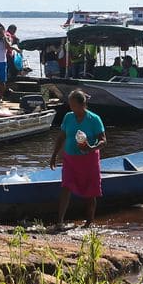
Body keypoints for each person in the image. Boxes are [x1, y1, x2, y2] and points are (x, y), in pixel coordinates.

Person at [49, 89, 105, 229]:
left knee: (90, 191)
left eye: (73, 105)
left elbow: (103, 140)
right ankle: (60, 221)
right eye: (70, 104)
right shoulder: (68, 117)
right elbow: (62, 136)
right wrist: (54, 154)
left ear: (82, 105)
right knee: (66, 187)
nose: (71, 107)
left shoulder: (94, 119)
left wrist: (91, 147)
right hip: (70, 158)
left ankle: (89, 222)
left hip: (89, 159)